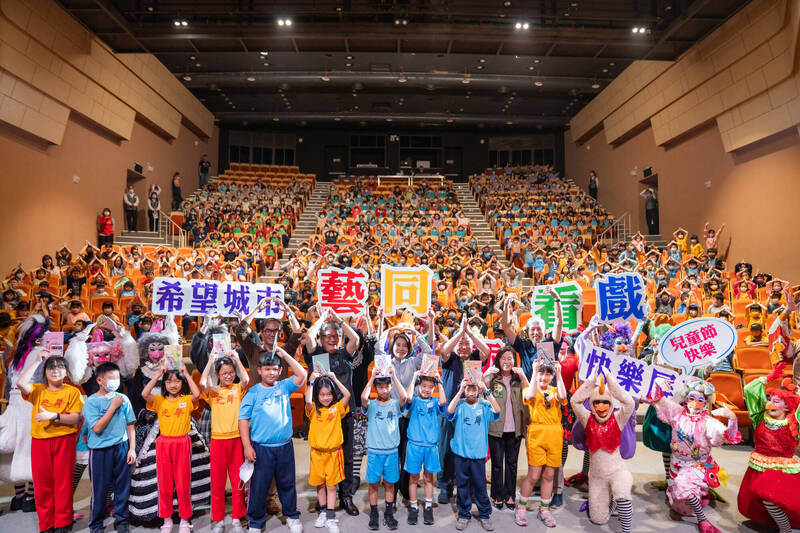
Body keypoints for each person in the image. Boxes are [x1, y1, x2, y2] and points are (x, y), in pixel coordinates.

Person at [649, 377, 739, 533]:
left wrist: (732, 419)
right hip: (677, 463)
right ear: (686, 398)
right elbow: (658, 400)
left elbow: (728, 436)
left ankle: (702, 519)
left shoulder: (708, 422)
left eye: (700, 400)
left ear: (705, 402)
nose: (695, 403)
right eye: (692, 398)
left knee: (684, 486)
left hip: (697, 465)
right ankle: (695, 497)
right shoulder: (677, 413)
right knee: (679, 504)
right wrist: (656, 383)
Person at [239, 348, 307, 533]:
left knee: (287, 483)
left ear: (280, 370)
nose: (271, 372)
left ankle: (292, 515)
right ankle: (255, 522)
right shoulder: (253, 392)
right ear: (259, 370)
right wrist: (246, 446)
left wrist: (284, 356)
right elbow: (243, 419)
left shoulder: (284, 386)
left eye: (275, 369)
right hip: (262, 448)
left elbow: (302, 374)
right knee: (259, 486)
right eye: (267, 369)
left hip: (284, 446)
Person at [17, 352, 84, 533]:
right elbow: (21, 383)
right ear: (44, 372)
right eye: (51, 367)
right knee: (42, 484)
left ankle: (63, 522)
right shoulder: (38, 390)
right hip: (40, 442)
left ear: (66, 372)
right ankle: (46, 523)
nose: (55, 370)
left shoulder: (73, 391)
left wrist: (54, 416)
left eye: (60, 367)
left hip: (64, 441)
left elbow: (76, 418)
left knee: (63, 483)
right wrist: (36, 361)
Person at [303, 308, 361, 516]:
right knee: (322, 455)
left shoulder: (345, 354)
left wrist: (339, 320)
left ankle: (346, 496)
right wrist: (322, 319)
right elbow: (308, 337)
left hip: (344, 411)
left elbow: (355, 339)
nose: (332, 339)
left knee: (346, 456)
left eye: (336, 336)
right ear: (321, 338)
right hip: (321, 414)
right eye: (328, 336)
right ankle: (325, 499)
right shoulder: (316, 353)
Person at [141, 357, 202, 533]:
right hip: (163, 444)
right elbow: (144, 394)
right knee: (165, 483)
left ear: (182, 383)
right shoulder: (160, 400)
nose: (173, 385)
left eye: (177, 381)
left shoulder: (187, 400)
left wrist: (186, 373)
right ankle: (166, 519)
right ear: (164, 384)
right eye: (169, 382)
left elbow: (197, 394)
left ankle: (184, 519)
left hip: (182, 443)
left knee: (183, 483)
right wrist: (158, 374)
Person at [570, 371, 635, 533]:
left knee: (622, 493)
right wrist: (591, 381)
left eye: (606, 402)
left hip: (617, 471)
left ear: (611, 404)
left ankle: (626, 529)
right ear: (592, 404)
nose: (601, 407)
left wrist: (611, 383)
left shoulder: (618, 418)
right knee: (598, 519)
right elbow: (575, 401)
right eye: (597, 402)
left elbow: (629, 403)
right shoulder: (587, 418)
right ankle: (611, 504)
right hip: (597, 477)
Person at [738, 367, 800, 532]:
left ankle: (785, 530)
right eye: (769, 399)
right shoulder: (760, 417)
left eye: (776, 401)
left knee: (769, 497)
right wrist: (767, 378)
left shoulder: (794, 423)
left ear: (787, 407)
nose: (769, 403)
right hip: (758, 467)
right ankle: (778, 524)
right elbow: (749, 390)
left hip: (781, 471)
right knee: (759, 502)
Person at [81, 361, 136, 533]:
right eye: (111, 378)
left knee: (122, 486)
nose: (115, 382)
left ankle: (121, 519)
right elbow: (97, 428)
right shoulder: (91, 402)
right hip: (100, 451)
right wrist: (112, 407)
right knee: (99, 489)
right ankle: (96, 523)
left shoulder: (123, 399)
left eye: (117, 378)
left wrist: (132, 449)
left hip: (121, 447)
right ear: (100, 380)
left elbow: (131, 425)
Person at [199, 353, 250, 533]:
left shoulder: (237, 389)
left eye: (231, 372)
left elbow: (246, 379)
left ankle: (237, 518)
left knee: (238, 482)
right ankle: (218, 520)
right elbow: (202, 383)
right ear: (217, 375)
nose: (228, 376)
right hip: (218, 442)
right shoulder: (213, 392)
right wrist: (210, 360)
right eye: (224, 373)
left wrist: (237, 358)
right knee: (217, 483)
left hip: (236, 441)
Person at [516, 359, 566, 528]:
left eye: (548, 374)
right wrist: (534, 371)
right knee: (534, 475)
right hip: (537, 435)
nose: (544, 377)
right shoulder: (529, 389)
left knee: (549, 475)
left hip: (555, 435)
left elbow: (563, 397)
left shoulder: (555, 390)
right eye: (541, 373)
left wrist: (558, 373)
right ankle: (521, 507)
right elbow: (530, 396)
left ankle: (544, 509)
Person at [447, 378, 501, 531]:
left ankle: (484, 514)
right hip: (461, 453)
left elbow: (497, 410)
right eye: (468, 389)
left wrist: (486, 390)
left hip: (477, 454)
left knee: (480, 485)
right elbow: (449, 411)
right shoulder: (460, 404)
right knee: (462, 485)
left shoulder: (484, 405)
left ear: (478, 391)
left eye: (474, 390)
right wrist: (460, 390)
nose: (471, 393)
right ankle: (464, 514)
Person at [361, 365, 408, 530]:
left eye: (387, 386)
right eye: (380, 387)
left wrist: (394, 376)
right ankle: (374, 512)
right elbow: (363, 398)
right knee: (373, 484)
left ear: (391, 386)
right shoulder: (372, 405)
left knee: (390, 483)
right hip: (375, 452)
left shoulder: (395, 404)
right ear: (375, 388)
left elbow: (405, 397)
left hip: (391, 452)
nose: (384, 390)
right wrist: (372, 378)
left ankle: (388, 513)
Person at [305, 370, 351, 533]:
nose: (325, 398)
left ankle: (331, 517)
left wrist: (335, 378)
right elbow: (307, 400)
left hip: (333, 454)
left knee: (331, 487)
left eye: (329, 394)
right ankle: (323, 512)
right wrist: (311, 382)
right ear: (317, 395)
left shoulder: (337, 409)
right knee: (320, 485)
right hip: (317, 454)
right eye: (322, 394)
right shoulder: (313, 410)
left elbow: (347, 395)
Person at [483, 346, 529, 510]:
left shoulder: (518, 380)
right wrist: (486, 374)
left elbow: (529, 393)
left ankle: (510, 495)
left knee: (512, 464)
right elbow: (480, 389)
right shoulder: (493, 380)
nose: (507, 361)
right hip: (496, 429)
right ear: (498, 360)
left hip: (515, 429)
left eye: (510, 358)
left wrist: (523, 375)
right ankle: (497, 495)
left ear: (514, 361)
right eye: (503, 358)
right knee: (497, 464)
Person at [405, 370, 447, 526]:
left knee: (429, 477)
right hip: (414, 445)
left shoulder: (435, 402)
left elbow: (443, 401)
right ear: (419, 386)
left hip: (430, 446)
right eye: (424, 386)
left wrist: (439, 382)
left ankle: (428, 506)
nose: (427, 389)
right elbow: (408, 397)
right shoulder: (415, 401)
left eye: (430, 387)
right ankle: (414, 507)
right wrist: (414, 377)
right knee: (413, 478)